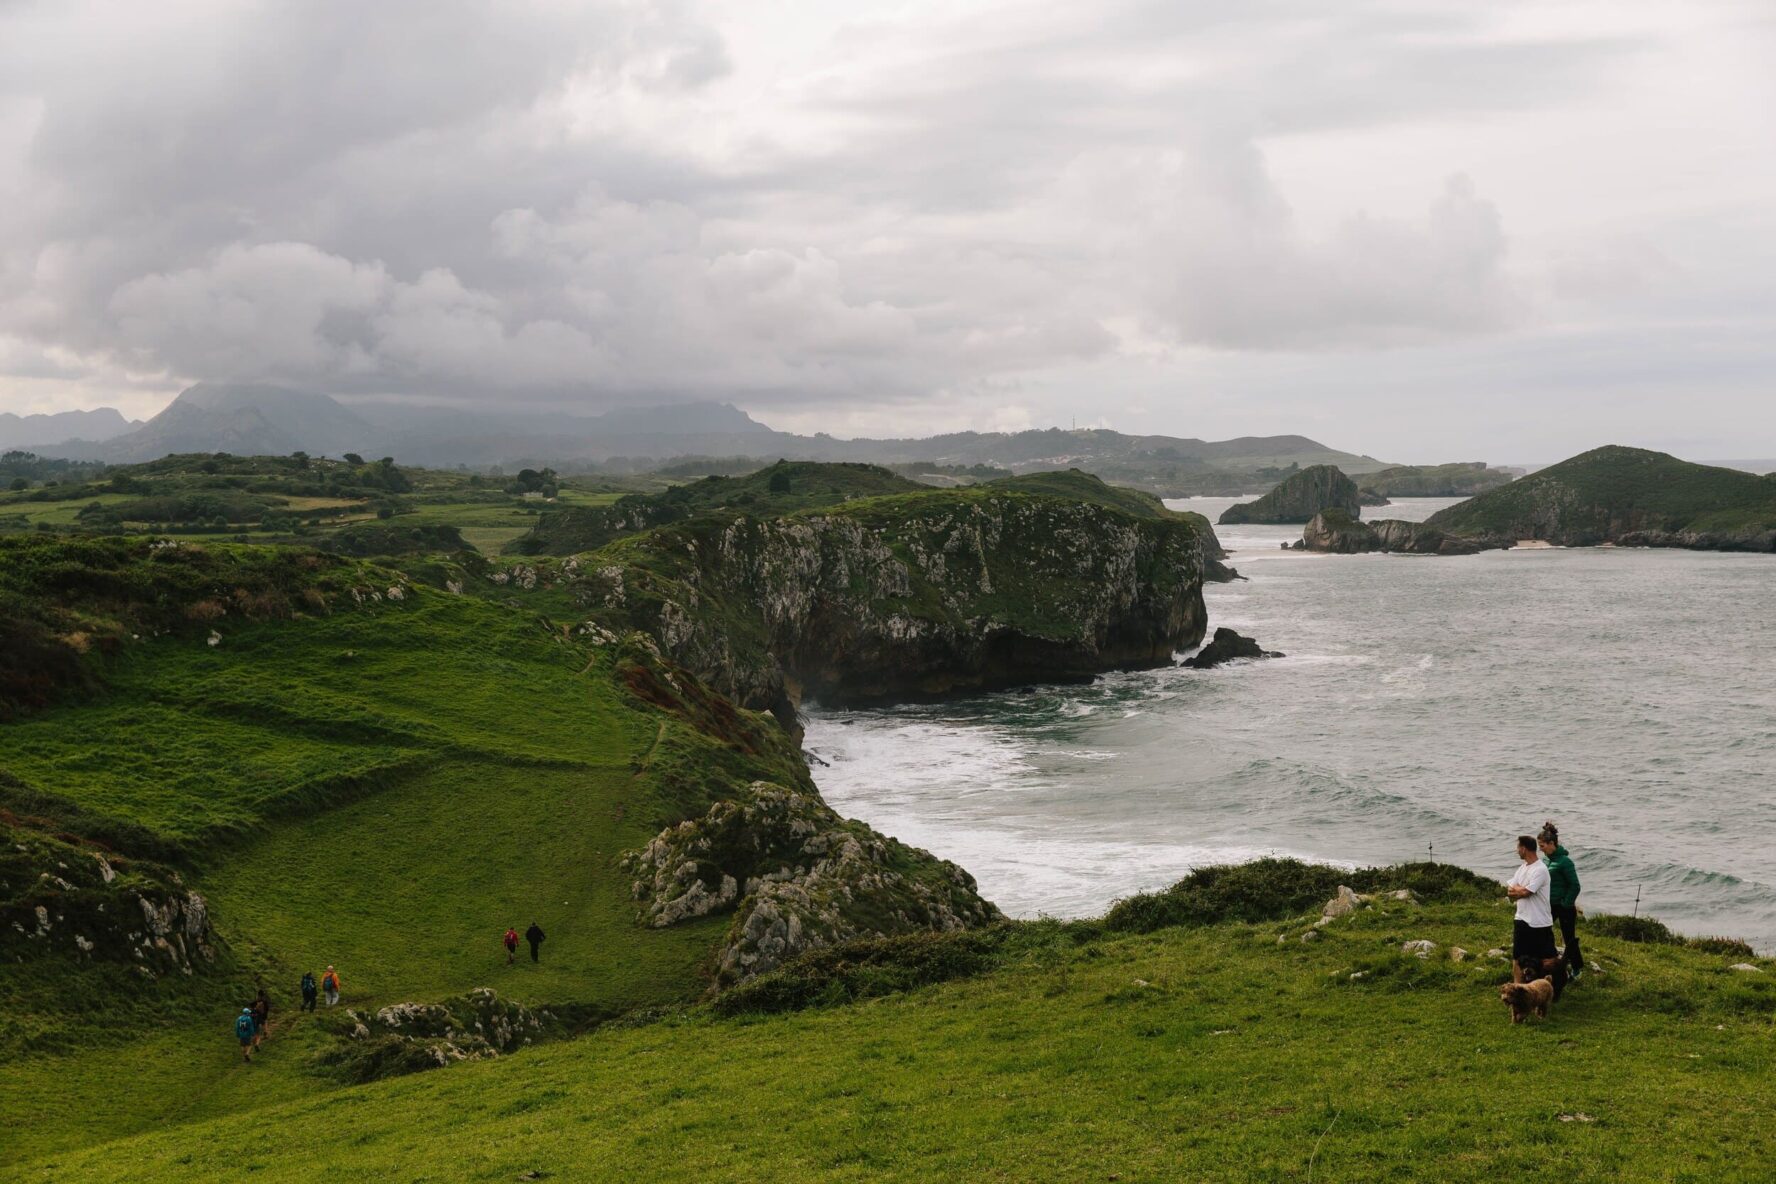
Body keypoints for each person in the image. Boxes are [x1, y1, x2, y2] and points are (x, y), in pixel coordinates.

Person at [1505, 834, 1559, 996]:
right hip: (1521, 919)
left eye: (1518, 848)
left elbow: (1527, 892)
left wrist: (1520, 890)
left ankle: (1548, 990)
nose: (1517, 851)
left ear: (1524, 849)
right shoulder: (1522, 868)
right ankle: (1517, 992)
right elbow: (1510, 891)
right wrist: (1520, 890)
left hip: (1540, 922)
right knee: (1517, 958)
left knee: (1547, 960)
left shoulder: (1540, 869)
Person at [1540, 821, 1583, 983]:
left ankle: (1577, 968)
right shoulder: (1545, 860)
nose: (1540, 849)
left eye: (1542, 846)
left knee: (1569, 938)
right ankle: (1550, 963)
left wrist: (1566, 903)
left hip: (1564, 906)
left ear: (1552, 843)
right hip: (1548, 905)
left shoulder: (1565, 862)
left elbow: (1575, 885)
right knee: (1543, 932)